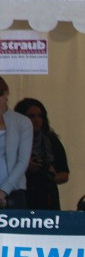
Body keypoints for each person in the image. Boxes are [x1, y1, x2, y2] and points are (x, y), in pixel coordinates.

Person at [14, 98, 69, 210]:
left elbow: (64, 173)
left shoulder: (50, 140)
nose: (37, 120)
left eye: (40, 116)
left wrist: (52, 176)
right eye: (31, 116)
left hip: (46, 195)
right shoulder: (11, 140)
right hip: (21, 194)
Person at [0, 76, 32, 209]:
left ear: (6, 93)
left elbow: (23, 160)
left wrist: (3, 191)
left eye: (0, 94)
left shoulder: (22, 122)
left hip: (15, 189)